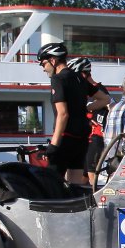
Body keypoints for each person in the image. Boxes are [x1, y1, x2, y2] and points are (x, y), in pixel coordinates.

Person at [36, 42, 92, 186]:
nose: (43, 68)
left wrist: (53, 146)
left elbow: (63, 114)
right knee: (75, 184)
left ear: (53, 60)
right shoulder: (79, 78)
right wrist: (85, 109)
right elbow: (104, 98)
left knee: (51, 183)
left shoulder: (58, 79)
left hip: (65, 138)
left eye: (43, 64)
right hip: (81, 139)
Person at [70, 57, 111, 186]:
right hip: (85, 138)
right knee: (83, 179)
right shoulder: (82, 90)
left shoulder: (98, 89)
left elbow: (111, 106)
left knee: (92, 177)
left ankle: (99, 198)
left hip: (95, 137)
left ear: (82, 74)